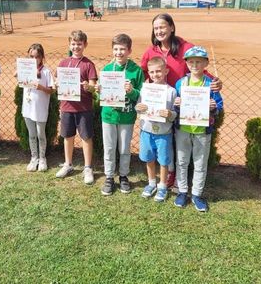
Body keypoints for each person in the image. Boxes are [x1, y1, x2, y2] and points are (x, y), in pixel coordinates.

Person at [140, 13, 223, 188]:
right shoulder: (150, 51)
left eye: (163, 27)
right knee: (166, 139)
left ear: (171, 27)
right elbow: (143, 74)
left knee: (178, 140)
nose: (159, 31)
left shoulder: (185, 47)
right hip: (160, 104)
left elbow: (198, 68)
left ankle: (180, 175)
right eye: (156, 28)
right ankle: (170, 172)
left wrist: (214, 81)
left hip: (183, 102)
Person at [173, 46, 223, 212]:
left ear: (205, 63)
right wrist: (177, 105)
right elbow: (175, 104)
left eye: (199, 62)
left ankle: (196, 194)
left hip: (202, 131)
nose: (195, 64)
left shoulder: (210, 84)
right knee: (182, 161)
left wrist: (213, 106)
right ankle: (182, 191)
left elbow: (219, 105)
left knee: (200, 163)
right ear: (186, 63)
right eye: (191, 61)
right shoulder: (181, 83)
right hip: (183, 129)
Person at [96, 34, 143, 195]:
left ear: (129, 50)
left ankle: (123, 175)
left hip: (127, 117)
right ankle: (109, 176)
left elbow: (140, 96)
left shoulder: (136, 71)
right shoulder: (107, 69)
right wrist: (98, 92)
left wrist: (131, 91)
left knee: (124, 148)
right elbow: (100, 97)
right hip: (108, 116)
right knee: (109, 148)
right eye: (116, 49)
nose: (119, 52)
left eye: (122, 49)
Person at [55, 30, 97, 184]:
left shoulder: (88, 64)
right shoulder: (63, 63)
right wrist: (56, 83)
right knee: (68, 136)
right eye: (73, 44)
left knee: (86, 137)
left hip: (83, 108)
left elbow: (93, 87)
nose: (76, 47)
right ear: (69, 44)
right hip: (66, 106)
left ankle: (87, 167)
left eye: (79, 44)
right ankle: (68, 164)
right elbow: (57, 82)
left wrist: (88, 86)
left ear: (85, 45)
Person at [135, 57, 177, 202]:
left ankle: (163, 186)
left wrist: (170, 114)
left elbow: (174, 113)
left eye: (158, 71)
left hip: (163, 133)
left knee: (164, 160)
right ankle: (152, 183)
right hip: (146, 131)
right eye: (152, 72)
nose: (155, 75)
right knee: (149, 158)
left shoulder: (171, 91)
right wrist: (138, 108)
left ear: (166, 71)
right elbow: (139, 107)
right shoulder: (145, 89)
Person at [20, 44, 54, 172]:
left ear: (42, 57)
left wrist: (41, 88)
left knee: (41, 134)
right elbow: (16, 75)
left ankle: (42, 158)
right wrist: (20, 70)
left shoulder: (46, 71)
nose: (34, 60)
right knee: (32, 134)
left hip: (40, 109)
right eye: (31, 57)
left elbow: (51, 91)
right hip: (28, 108)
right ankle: (34, 157)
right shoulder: (25, 70)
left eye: (37, 57)